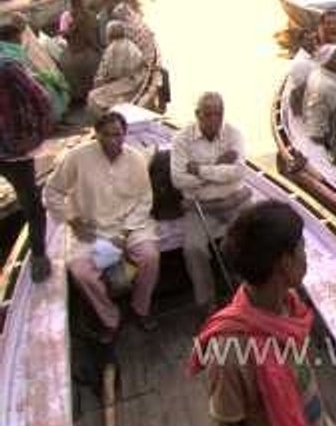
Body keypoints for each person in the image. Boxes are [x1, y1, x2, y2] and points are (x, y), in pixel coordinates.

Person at [189, 201, 336, 426]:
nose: (305, 257)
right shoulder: (227, 353)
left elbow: (307, 390)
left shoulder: (291, 308)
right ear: (284, 262)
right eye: (301, 247)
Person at [43, 112, 159, 341]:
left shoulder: (135, 159)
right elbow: (52, 192)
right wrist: (72, 219)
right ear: (96, 135)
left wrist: (125, 233)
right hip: (91, 228)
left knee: (150, 256)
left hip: (130, 226)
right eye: (106, 135)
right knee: (81, 271)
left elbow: (144, 199)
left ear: (125, 134)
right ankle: (111, 318)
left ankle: (140, 309)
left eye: (118, 135)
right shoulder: (77, 157)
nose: (112, 140)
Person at [171, 92, 250, 311]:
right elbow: (178, 180)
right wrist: (218, 165)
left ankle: (249, 290)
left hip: (234, 200)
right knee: (193, 248)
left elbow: (239, 171)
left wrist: (201, 169)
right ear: (197, 114)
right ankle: (207, 301)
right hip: (199, 207)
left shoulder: (234, 134)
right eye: (208, 114)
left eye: (219, 113)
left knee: (254, 238)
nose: (214, 119)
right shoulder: (181, 139)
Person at [0, 57, 54, 281]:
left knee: (31, 204)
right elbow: (42, 99)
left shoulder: (7, 68)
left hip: (15, 151)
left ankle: (39, 258)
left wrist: (38, 134)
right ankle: (39, 258)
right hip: (14, 150)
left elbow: (41, 99)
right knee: (31, 203)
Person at [87, 21, 147, 116]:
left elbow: (112, 72)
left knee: (92, 96)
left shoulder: (112, 48)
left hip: (126, 84)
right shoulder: (131, 44)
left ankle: (106, 118)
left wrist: (99, 81)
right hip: (137, 81)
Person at [59, 0, 101, 106]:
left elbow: (64, 35)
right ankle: (85, 97)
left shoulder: (89, 16)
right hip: (83, 52)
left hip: (77, 53)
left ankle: (79, 98)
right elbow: (93, 37)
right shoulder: (71, 17)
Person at [302, 45, 336, 145]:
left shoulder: (315, 73)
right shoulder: (329, 85)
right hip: (321, 135)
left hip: (310, 125)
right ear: (326, 60)